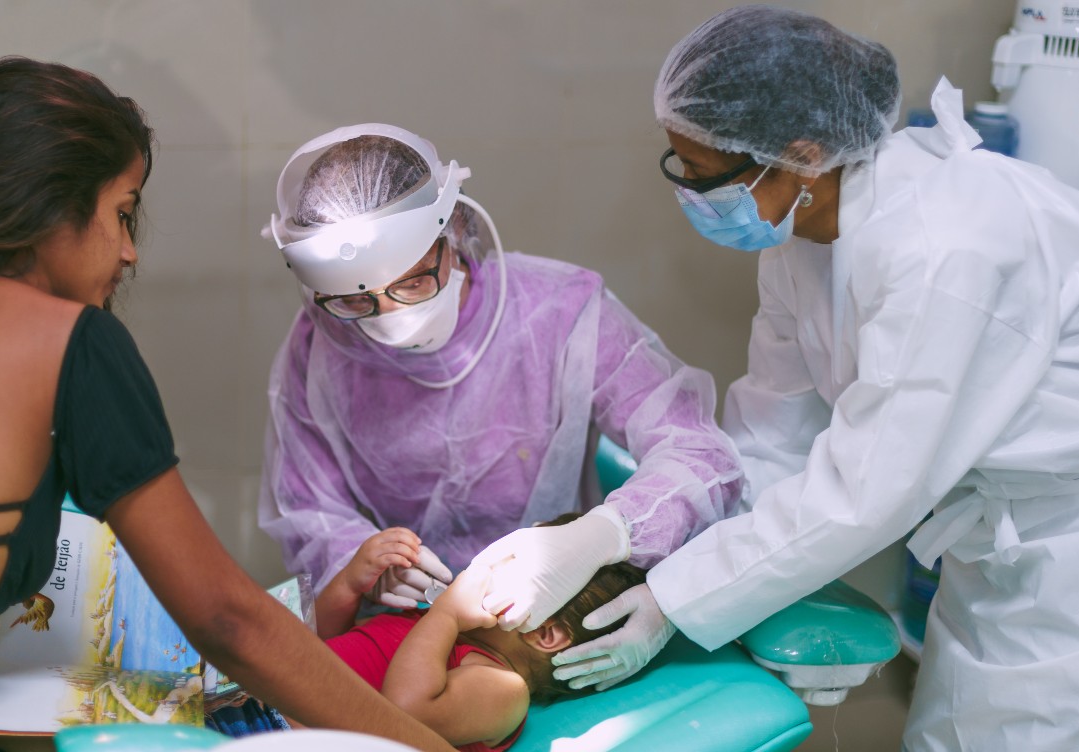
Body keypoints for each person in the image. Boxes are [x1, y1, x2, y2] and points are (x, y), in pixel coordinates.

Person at [549, 5, 1079, 750]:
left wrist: (675, 599)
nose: (692, 196)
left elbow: (867, 490)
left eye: (705, 175)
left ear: (800, 156)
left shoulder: (945, 248)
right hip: (992, 548)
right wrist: (636, 538)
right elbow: (770, 437)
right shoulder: (801, 241)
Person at [0, 57, 452, 752]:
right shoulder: (65, 341)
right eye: (122, 213)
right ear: (49, 201)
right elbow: (230, 621)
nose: (131, 253)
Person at [258, 124, 743, 635]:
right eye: (356, 300)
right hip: (404, 622)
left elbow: (700, 454)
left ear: (455, 230)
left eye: (413, 281)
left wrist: (605, 534)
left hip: (551, 607)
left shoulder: (561, 313)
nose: (386, 315)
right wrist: (362, 566)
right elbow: (309, 510)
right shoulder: (321, 343)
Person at [315, 516, 647, 752]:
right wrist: (350, 584)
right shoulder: (434, 626)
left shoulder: (503, 689)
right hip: (282, 700)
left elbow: (405, 714)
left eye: (512, 562)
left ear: (544, 633)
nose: (487, 563)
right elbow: (316, 650)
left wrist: (446, 612)